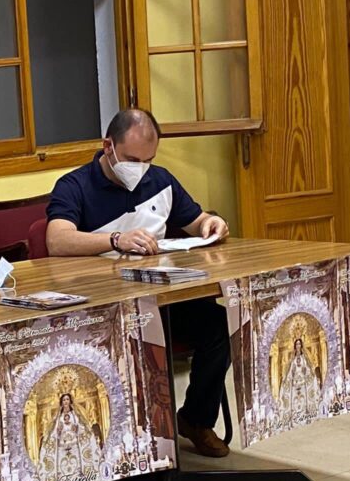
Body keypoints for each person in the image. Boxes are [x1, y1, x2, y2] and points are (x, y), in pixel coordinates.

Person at [45, 109, 233, 457]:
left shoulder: (160, 180)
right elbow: (57, 240)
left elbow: (196, 221)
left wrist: (213, 223)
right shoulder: (75, 186)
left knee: (217, 325)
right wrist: (115, 240)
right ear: (108, 147)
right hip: (101, 307)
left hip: (160, 297)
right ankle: (121, 442)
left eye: (148, 160)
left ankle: (196, 419)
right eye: (132, 159)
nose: (140, 168)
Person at [38, 393, 102, 479]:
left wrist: (77, 428)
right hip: (62, 447)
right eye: (64, 400)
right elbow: (53, 433)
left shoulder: (75, 415)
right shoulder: (58, 418)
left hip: (75, 445)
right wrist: (58, 431)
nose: (66, 401)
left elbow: (83, 428)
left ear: (70, 401)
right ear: (61, 402)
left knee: (77, 467)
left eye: (67, 399)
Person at [279, 338, 322, 422]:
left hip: (303, 384)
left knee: (304, 401)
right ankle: (295, 417)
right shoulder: (292, 359)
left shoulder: (304, 358)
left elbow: (309, 369)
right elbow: (289, 371)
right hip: (295, 385)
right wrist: (290, 375)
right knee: (295, 402)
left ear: (301, 345)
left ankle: (308, 414)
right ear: (295, 346)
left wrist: (306, 372)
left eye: (299, 344)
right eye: (296, 344)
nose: (298, 345)